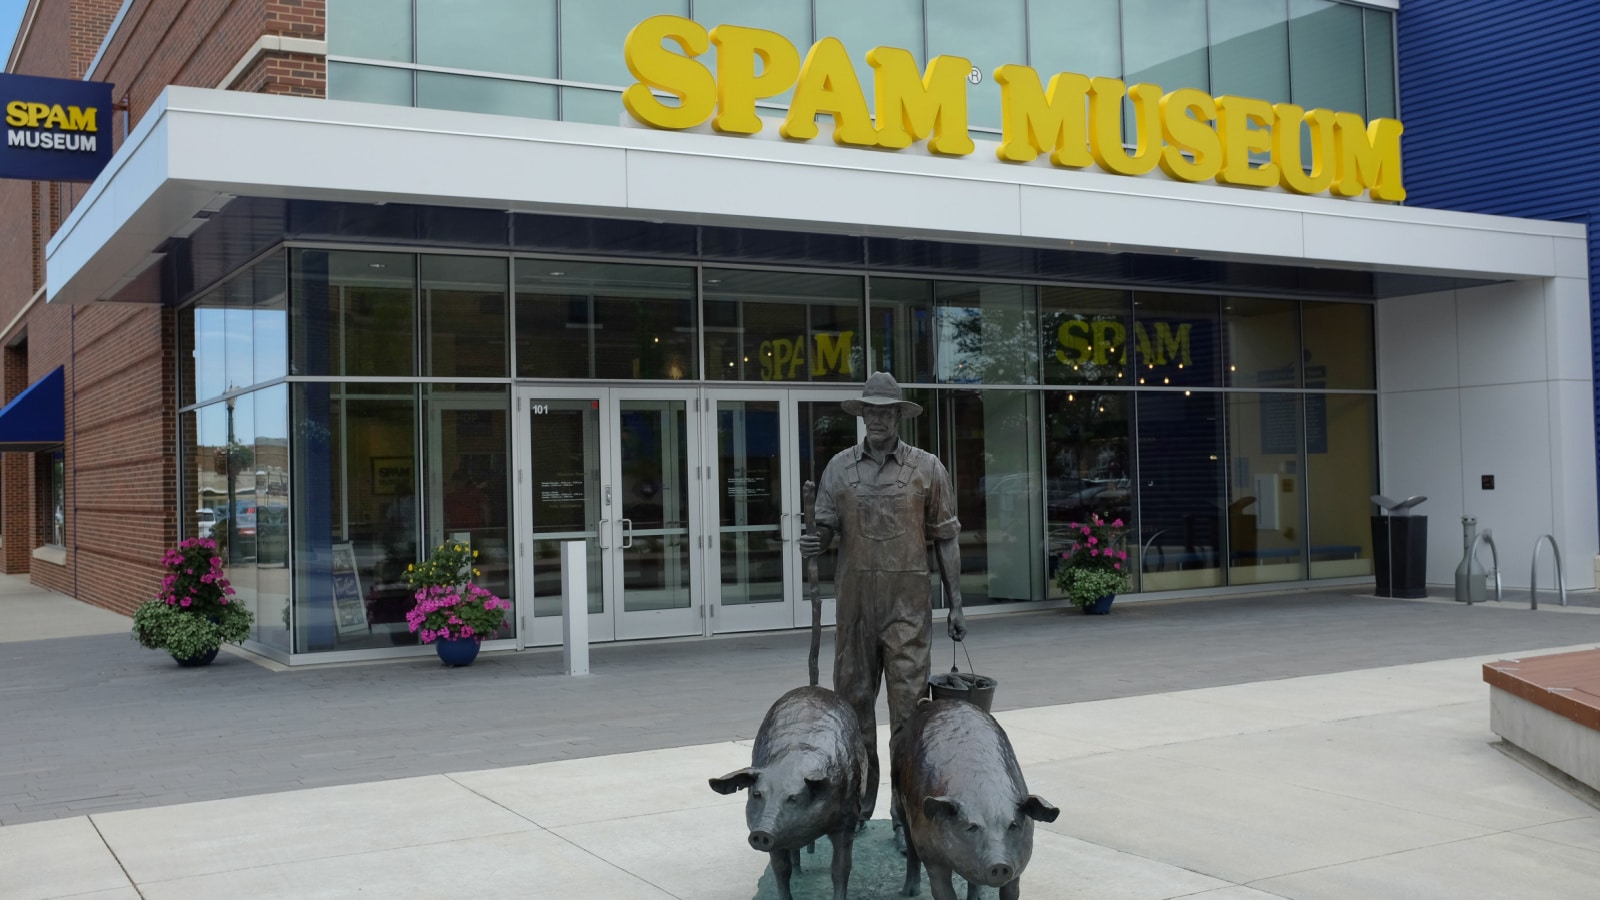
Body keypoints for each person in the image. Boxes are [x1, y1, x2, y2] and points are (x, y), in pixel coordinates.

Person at [798, 371, 965, 848]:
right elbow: (825, 529)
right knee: (852, 711)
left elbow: (947, 540)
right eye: (869, 411)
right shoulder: (838, 468)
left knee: (910, 714)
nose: (876, 419)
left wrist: (955, 604)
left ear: (897, 415)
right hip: (854, 609)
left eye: (884, 411)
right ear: (862, 415)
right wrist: (816, 540)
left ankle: (906, 809)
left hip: (908, 609)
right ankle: (853, 806)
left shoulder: (927, 468)